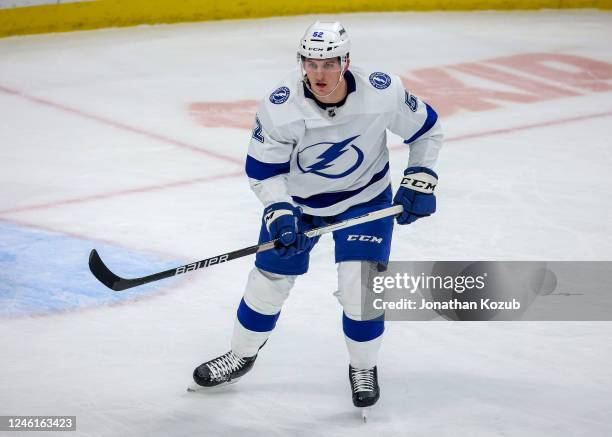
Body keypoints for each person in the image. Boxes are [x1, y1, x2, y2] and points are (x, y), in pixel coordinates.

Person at [192, 21, 442, 412]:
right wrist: (279, 211)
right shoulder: (280, 106)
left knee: (361, 291)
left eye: (328, 63)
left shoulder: (382, 91)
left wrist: (420, 177)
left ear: (346, 61)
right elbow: (263, 172)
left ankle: (363, 367)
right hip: (300, 205)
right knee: (268, 283)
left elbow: (427, 129)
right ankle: (241, 355)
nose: (319, 73)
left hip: (366, 201)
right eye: (311, 63)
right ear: (301, 62)